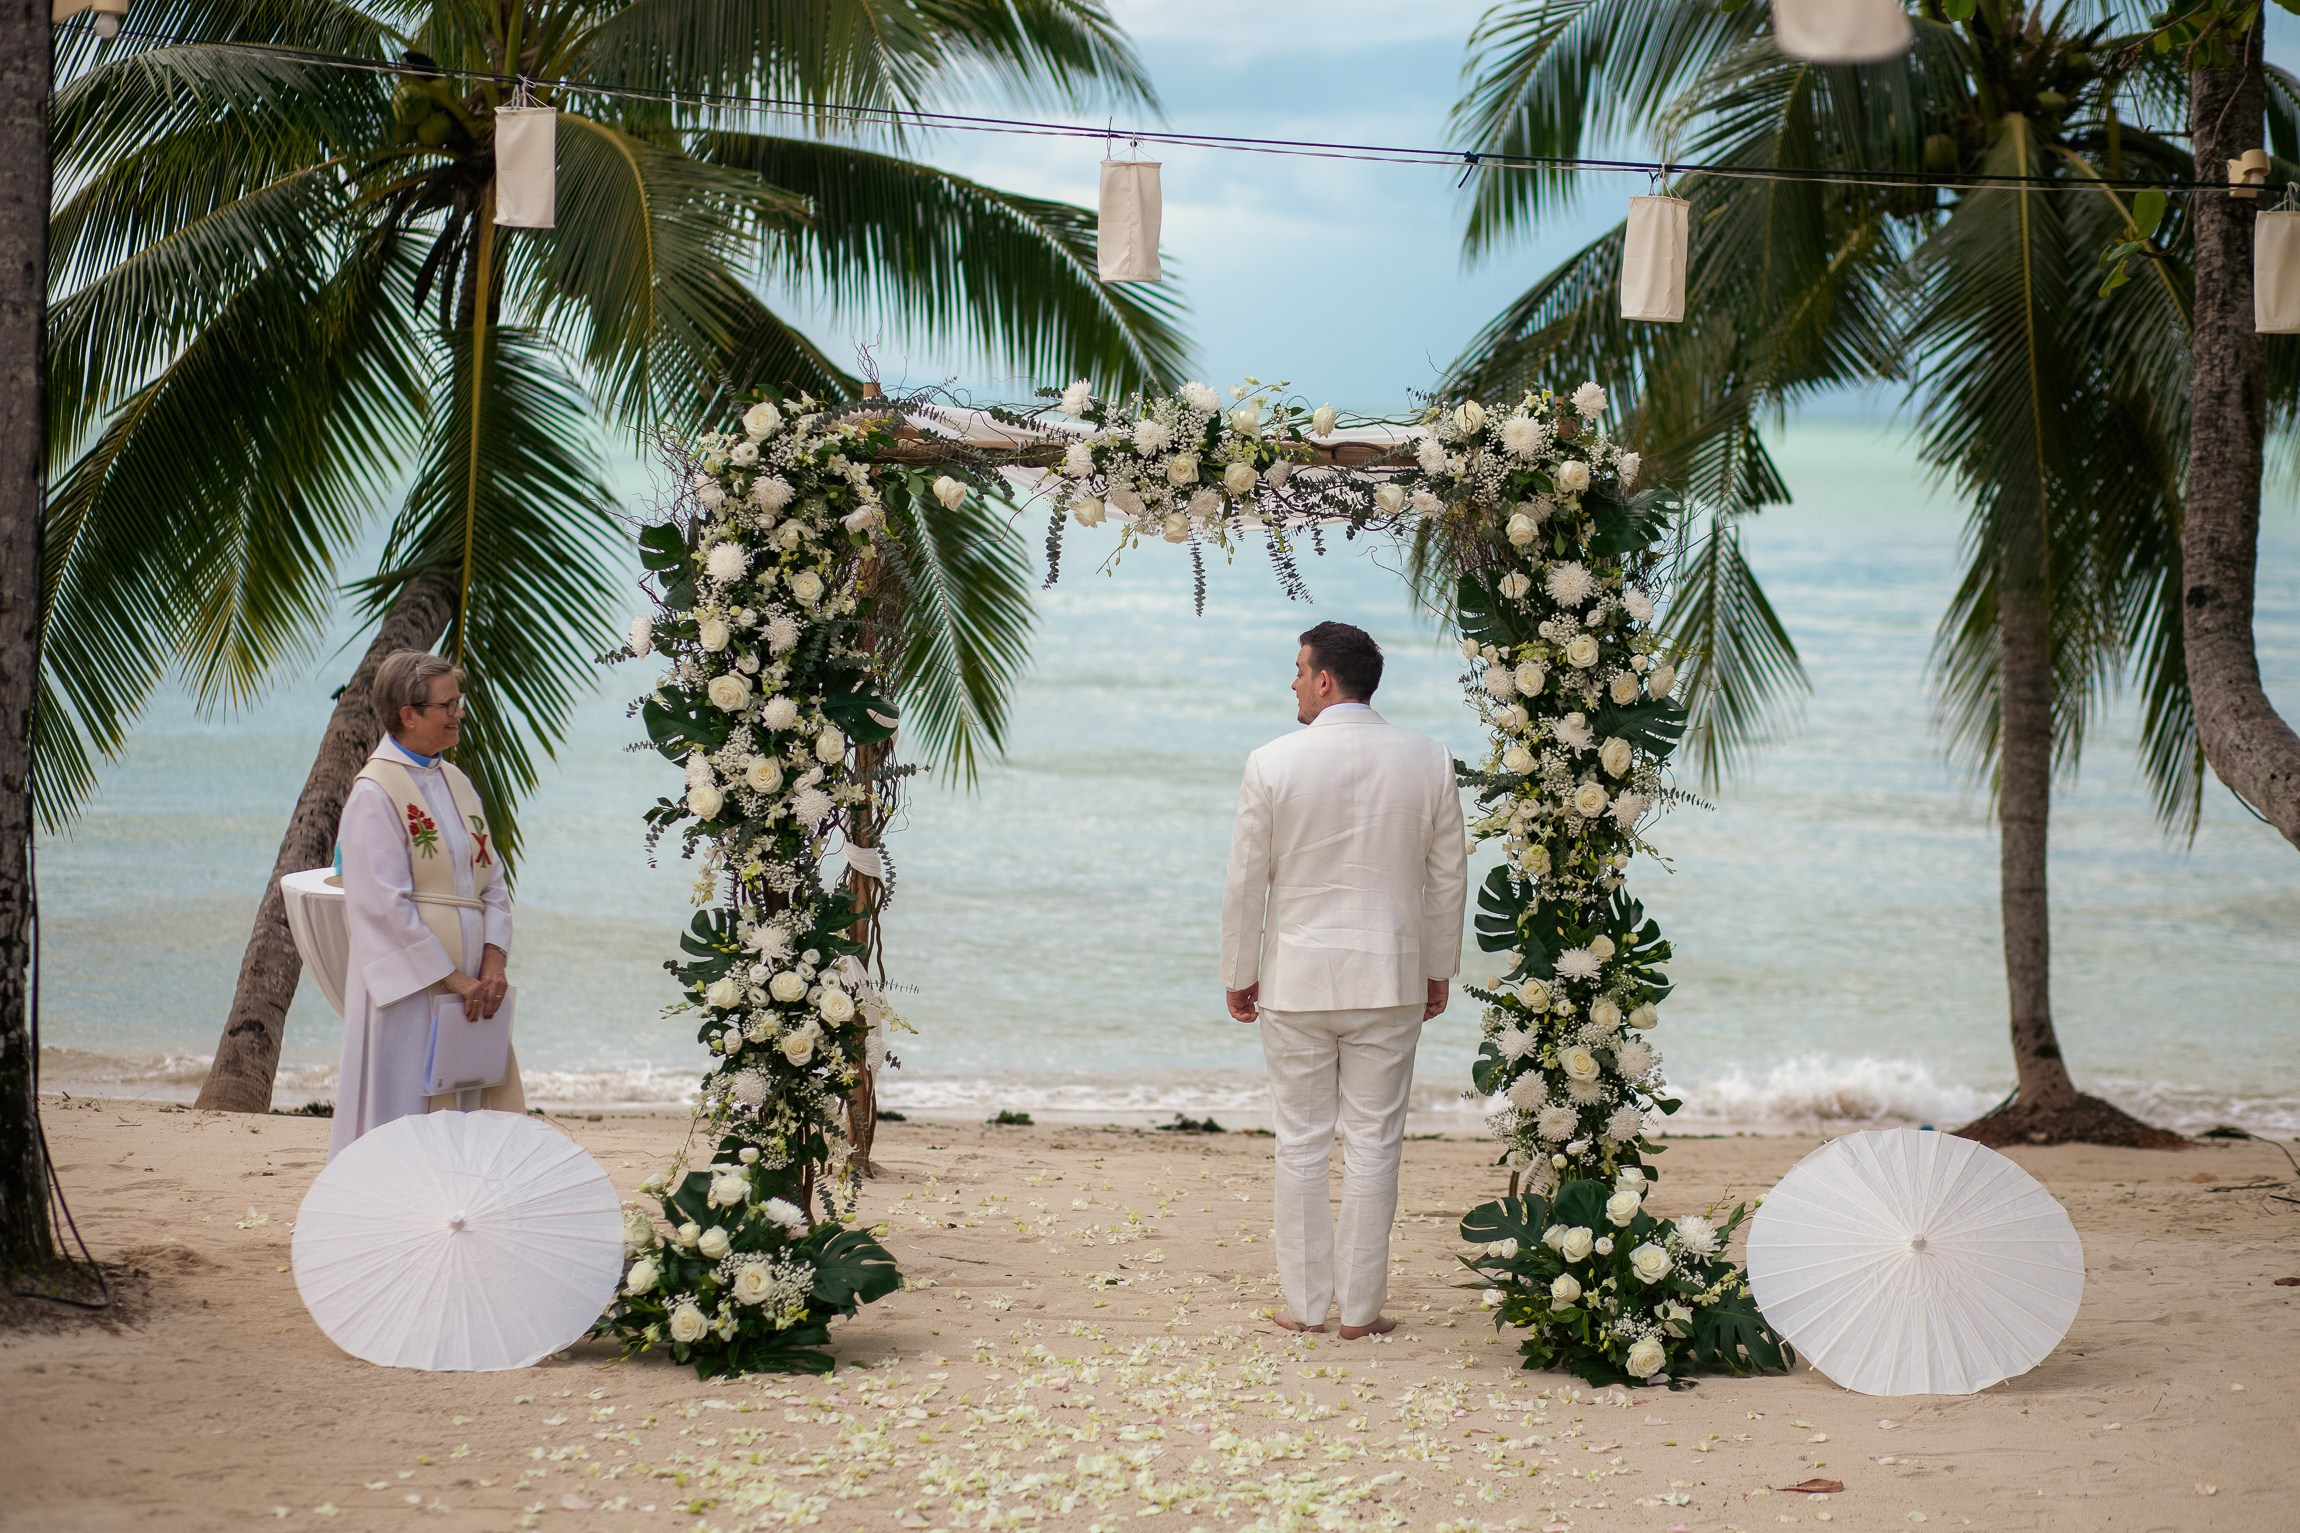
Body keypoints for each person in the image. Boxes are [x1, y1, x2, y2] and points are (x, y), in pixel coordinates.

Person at [1220, 621, 1467, 1337]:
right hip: (1389, 975)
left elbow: (1246, 882)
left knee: (1300, 1140)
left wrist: (1240, 970)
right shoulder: (1429, 758)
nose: (1293, 681)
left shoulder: (1271, 762)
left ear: (1326, 679)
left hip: (1295, 976)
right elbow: (1447, 876)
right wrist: (1437, 967)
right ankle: (1360, 1311)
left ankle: (1304, 1307)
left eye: (1299, 669)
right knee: (1374, 1141)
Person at [327, 651, 522, 1157]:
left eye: (458, 702)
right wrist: (452, 978)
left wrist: (493, 960)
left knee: (465, 1111)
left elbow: (492, 879)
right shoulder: (374, 792)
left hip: (473, 985)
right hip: (412, 990)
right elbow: (380, 905)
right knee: (404, 1107)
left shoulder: (457, 783)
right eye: (447, 704)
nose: (458, 713)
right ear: (407, 713)